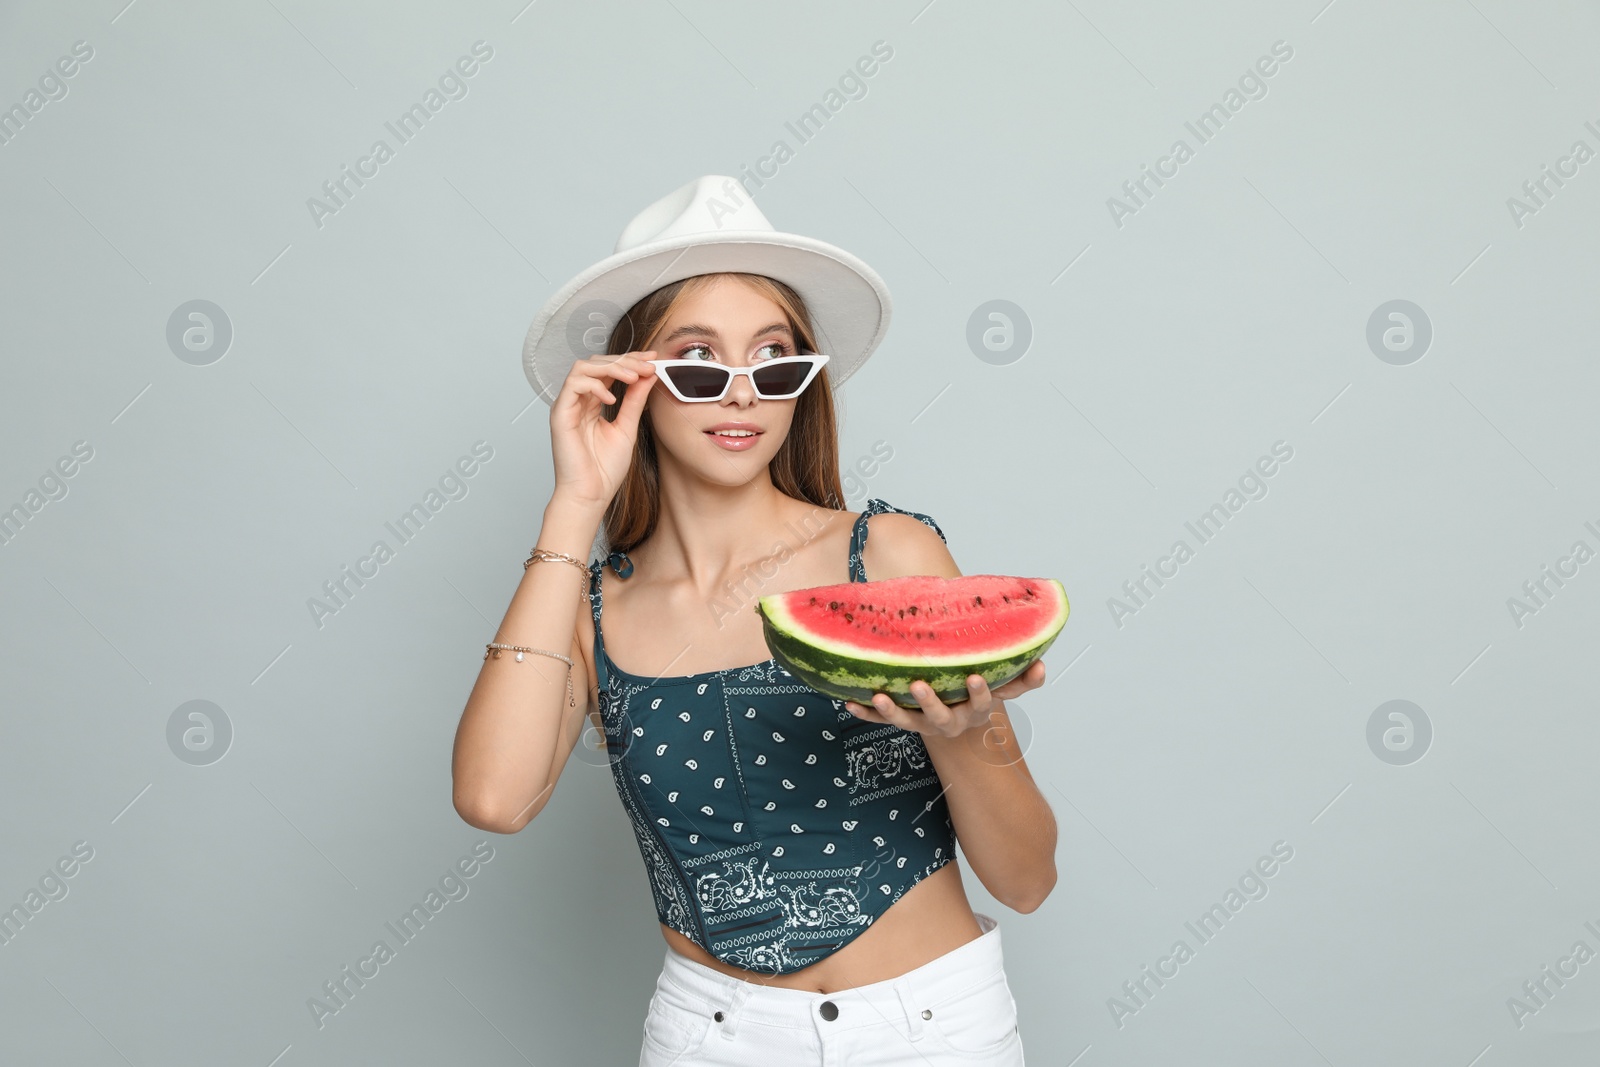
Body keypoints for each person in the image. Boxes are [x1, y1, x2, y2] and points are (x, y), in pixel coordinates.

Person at [452, 175, 1057, 1066]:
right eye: (697, 363)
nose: (741, 395)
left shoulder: (888, 555)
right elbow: (493, 799)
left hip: (932, 1029)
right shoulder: (589, 610)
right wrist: (575, 505)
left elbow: (1028, 879)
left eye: (774, 362)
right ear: (633, 386)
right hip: (712, 1039)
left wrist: (969, 737)